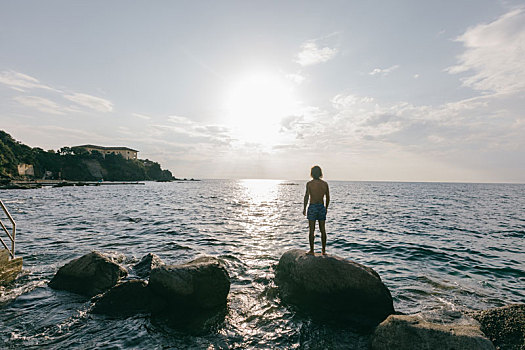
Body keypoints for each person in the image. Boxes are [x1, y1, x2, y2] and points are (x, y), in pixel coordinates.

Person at [303, 165, 330, 255]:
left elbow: (306, 196)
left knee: (312, 230)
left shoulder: (309, 184)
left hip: (313, 206)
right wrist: (326, 208)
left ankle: (312, 250)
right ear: (320, 173)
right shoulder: (325, 184)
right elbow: (328, 197)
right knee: (323, 230)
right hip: (321, 206)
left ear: (312, 173)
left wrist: (304, 208)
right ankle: (323, 250)